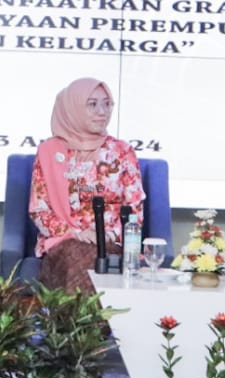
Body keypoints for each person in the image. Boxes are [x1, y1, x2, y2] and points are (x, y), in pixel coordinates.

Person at [28, 78, 144, 294]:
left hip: (110, 243)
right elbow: (39, 211)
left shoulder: (122, 152)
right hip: (64, 241)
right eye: (92, 104)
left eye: (107, 104)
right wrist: (75, 232)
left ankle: (88, 318)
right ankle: (82, 317)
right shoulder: (49, 152)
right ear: (73, 108)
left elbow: (134, 210)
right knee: (77, 259)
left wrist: (109, 235)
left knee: (98, 259)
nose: (102, 112)